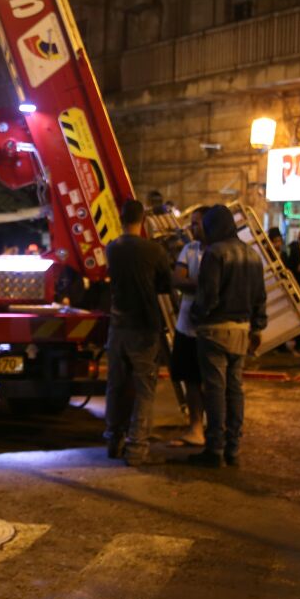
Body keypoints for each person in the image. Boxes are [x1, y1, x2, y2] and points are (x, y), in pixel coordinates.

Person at [178, 205, 267, 468]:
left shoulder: (215, 252)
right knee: (235, 389)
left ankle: (214, 449)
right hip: (242, 330)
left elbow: (208, 296)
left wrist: (196, 315)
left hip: (214, 331)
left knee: (215, 390)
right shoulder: (251, 254)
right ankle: (233, 448)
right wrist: (258, 327)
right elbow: (260, 297)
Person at [104, 200, 173, 466]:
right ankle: (136, 448)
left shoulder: (113, 248)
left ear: (121, 219)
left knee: (116, 385)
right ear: (143, 219)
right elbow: (165, 284)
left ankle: (113, 440)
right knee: (145, 388)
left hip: (118, 326)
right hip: (144, 326)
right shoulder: (153, 250)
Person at [168, 208, 207, 447]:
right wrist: (203, 285)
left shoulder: (218, 252)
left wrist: (193, 284)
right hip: (187, 326)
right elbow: (177, 279)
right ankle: (195, 427)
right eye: (192, 224)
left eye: (198, 224)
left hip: (210, 328)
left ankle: (215, 428)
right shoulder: (189, 249)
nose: (193, 228)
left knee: (213, 381)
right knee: (191, 380)